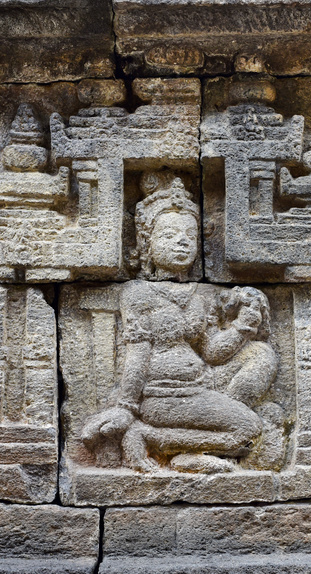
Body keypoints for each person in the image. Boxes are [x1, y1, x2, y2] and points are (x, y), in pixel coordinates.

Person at [80, 175, 279, 474]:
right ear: (147, 243)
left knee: (261, 355)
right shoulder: (138, 293)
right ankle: (149, 436)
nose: (182, 241)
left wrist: (242, 327)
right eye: (169, 235)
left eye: (189, 234)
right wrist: (126, 406)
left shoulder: (202, 295)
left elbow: (211, 352)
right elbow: (137, 355)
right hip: (161, 394)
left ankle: (183, 450)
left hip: (200, 386)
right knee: (249, 429)